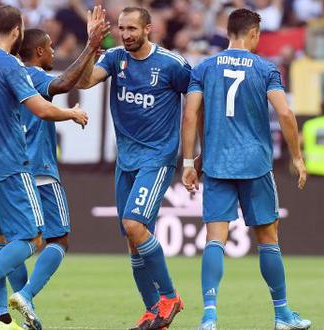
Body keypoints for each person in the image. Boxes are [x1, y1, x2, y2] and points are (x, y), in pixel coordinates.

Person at [0, 5, 88, 330]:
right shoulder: (8, 64)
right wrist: (72, 114)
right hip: (8, 166)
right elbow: (39, 108)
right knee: (32, 238)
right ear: (17, 31)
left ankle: (2, 318)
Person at [0, 7, 109, 330]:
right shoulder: (30, 76)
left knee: (7, 240)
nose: (53, 52)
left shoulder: (1, 77)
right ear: (38, 51)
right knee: (58, 240)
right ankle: (23, 294)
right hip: (39, 170)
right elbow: (63, 83)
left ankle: (3, 314)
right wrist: (90, 46)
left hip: (6, 170)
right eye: (50, 47)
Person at [181, 8, 311, 330]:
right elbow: (286, 115)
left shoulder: (204, 67)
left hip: (217, 164)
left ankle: (209, 316)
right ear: (254, 34)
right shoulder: (266, 67)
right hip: (255, 164)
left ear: (228, 32)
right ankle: (281, 315)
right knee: (268, 239)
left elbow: (190, 115)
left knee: (214, 240)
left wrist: (190, 160)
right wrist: (296, 157)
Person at [77, 6, 190, 330]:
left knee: (134, 225)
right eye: (121, 28)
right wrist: (89, 46)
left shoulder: (172, 64)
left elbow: (196, 102)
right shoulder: (114, 58)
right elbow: (84, 82)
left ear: (148, 29)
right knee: (132, 237)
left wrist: (191, 158)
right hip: (126, 159)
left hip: (157, 158)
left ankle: (170, 297)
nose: (125, 34)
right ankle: (153, 310)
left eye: (132, 29)